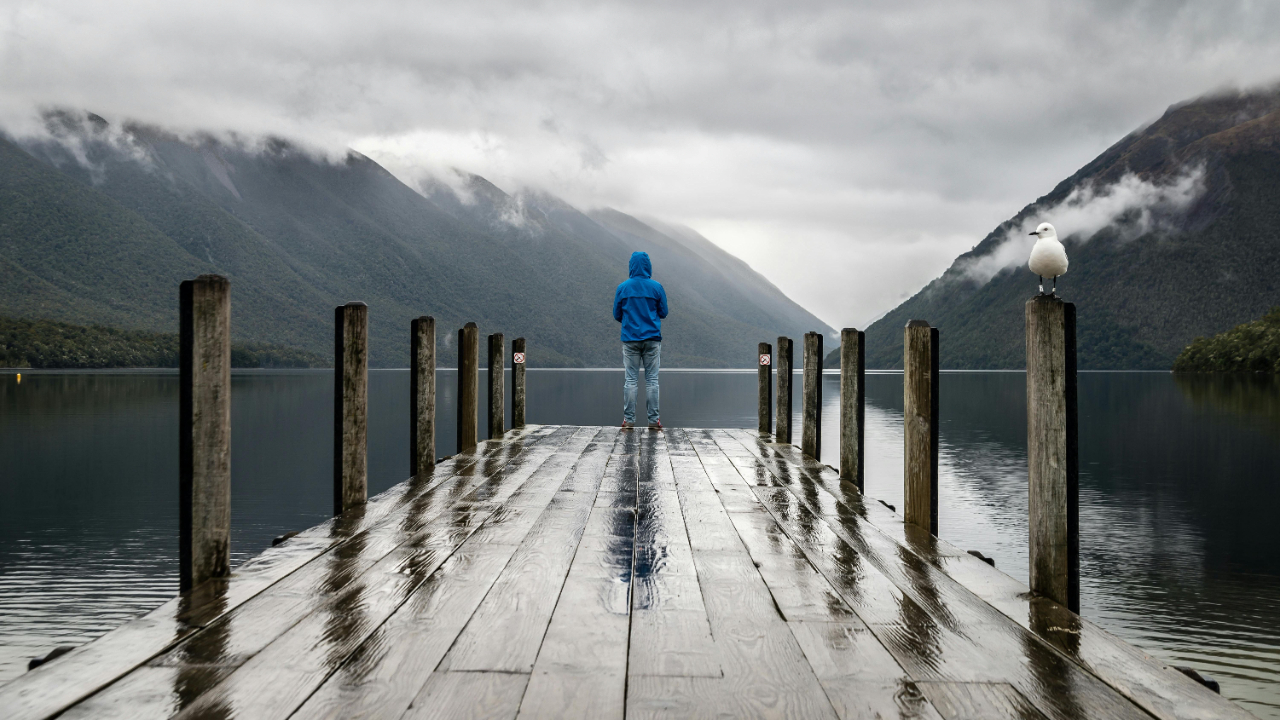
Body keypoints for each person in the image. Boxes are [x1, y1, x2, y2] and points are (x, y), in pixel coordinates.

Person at [613, 251, 668, 429]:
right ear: (648, 266)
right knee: (652, 381)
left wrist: (630, 321)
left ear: (631, 266)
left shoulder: (623, 288)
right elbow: (664, 312)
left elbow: (617, 314)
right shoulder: (656, 287)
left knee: (631, 380)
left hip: (630, 339)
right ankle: (653, 421)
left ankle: (628, 420)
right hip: (652, 339)